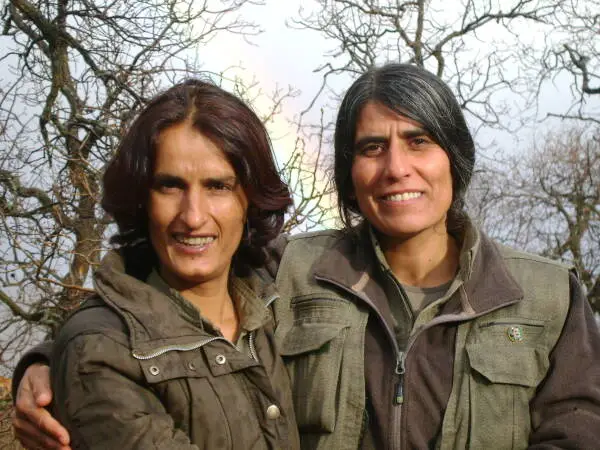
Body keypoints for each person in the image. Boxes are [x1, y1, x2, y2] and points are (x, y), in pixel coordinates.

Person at [12, 64, 600, 449]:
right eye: (372, 147)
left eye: (419, 142)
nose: (397, 168)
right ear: (349, 171)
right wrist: (46, 363)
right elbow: (156, 299)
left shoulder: (548, 297)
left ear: (455, 156)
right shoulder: (293, 269)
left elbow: (580, 430)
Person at [11, 79, 300, 449]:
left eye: (217, 186)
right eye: (170, 186)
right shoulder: (101, 353)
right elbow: (96, 345)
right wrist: (68, 354)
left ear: (251, 199)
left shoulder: (284, 279)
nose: (193, 216)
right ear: (141, 199)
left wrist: (45, 357)